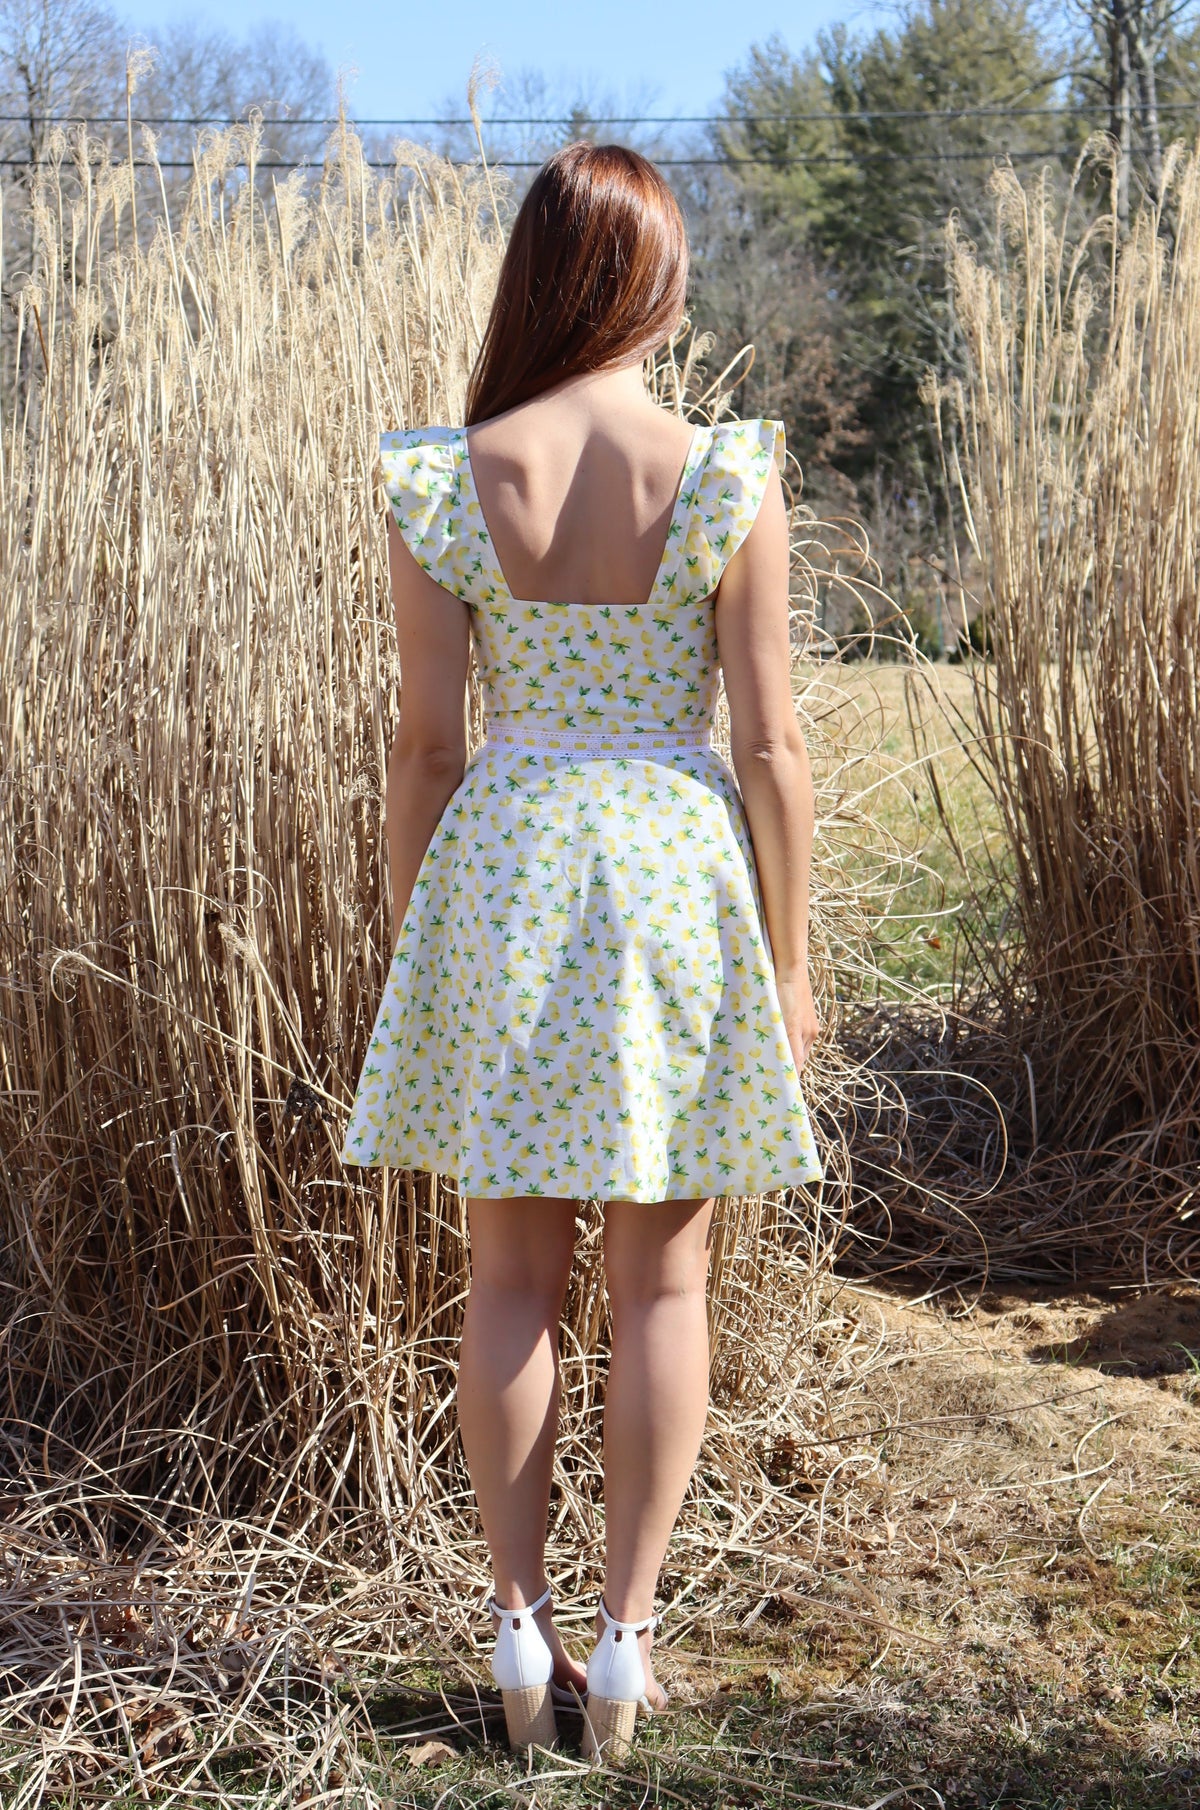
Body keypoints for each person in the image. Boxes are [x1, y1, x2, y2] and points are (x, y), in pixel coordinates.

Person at [339, 140, 823, 1760]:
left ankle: (515, 1625)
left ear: (535, 273)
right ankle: (624, 1639)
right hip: (676, 884)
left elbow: (425, 747)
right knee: (662, 1275)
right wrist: (797, 958)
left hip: (508, 878)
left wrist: (427, 934)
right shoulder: (728, 470)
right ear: (655, 280)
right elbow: (772, 747)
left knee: (508, 1279)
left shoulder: (439, 476)